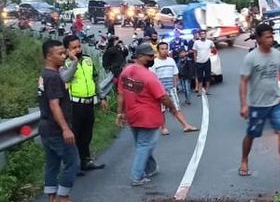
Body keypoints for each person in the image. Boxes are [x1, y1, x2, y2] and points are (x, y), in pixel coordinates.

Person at [239, 23, 280, 177]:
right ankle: (244, 160)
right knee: (251, 134)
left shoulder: (277, 55)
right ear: (259, 38)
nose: (270, 39)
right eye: (267, 37)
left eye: (271, 36)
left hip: (275, 102)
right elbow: (243, 82)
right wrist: (244, 105)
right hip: (257, 105)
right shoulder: (251, 57)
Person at [117, 43, 179, 186]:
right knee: (145, 145)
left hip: (132, 114)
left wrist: (120, 112)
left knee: (142, 144)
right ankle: (137, 176)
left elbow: (121, 93)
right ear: (139, 56)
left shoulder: (126, 72)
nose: (152, 58)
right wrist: (173, 108)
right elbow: (163, 96)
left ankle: (150, 168)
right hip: (147, 116)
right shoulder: (149, 76)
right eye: (149, 56)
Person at [38, 40, 85, 202]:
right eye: (60, 54)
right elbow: (54, 105)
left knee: (52, 163)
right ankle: (64, 199)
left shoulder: (45, 75)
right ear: (49, 56)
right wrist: (65, 128)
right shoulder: (54, 77)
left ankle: (52, 201)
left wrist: (72, 60)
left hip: (45, 127)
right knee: (73, 162)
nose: (63, 56)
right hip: (56, 128)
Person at [62, 35, 108, 174]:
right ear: (67, 50)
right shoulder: (65, 64)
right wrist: (73, 62)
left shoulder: (88, 60)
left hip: (89, 103)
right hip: (74, 104)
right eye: (74, 48)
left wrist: (101, 97)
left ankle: (86, 161)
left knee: (87, 134)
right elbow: (65, 79)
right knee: (75, 135)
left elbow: (95, 79)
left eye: (79, 46)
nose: (78, 49)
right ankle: (73, 165)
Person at [152, 42, 198, 135]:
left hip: (171, 88)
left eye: (166, 48)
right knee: (161, 110)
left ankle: (186, 125)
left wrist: (175, 85)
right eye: (162, 49)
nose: (165, 51)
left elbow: (175, 74)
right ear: (158, 50)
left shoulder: (171, 60)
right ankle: (164, 128)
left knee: (176, 108)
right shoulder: (154, 62)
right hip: (160, 90)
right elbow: (152, 77)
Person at [192, 29, 215, 95]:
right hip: (199, 62)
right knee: (200, 77)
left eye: (204, 34)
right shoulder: (196, 43)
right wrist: (195, 61)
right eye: (201, 34)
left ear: (205, 35)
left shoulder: (210, 42)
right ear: (199, 35)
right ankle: (200, 91)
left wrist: (211, 54)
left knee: (208, 76)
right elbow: (194, 52)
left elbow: (213, 49)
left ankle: (207, 90)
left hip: (207, 61)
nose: (203, 35)